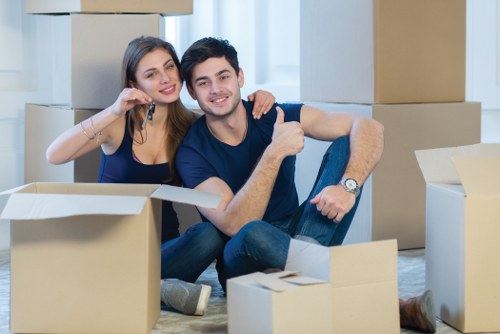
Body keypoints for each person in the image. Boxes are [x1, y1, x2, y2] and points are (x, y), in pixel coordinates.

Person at [176, 37, 436, 332]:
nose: (216, 90)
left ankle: (308, 264)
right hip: (243, 258)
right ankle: (388, 303)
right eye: (203, 82)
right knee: (253, 232)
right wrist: (274, 153)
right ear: (192, 91)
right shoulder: (192, 151)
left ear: (240, 77)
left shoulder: (276, 114)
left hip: (304, 231)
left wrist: (348, 186)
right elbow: (236, 224)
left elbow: (368, 127)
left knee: (346, 143)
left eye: (223, 77)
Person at [45, 36, 275, 316]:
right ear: (134, 84)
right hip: (114, 245)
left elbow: (232, 123)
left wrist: (261, 98)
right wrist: (115, 110)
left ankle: (146, 285)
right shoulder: (117, 125)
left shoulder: (192, 126)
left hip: (166, 250)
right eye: (151, 74)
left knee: (208, 235)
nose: (165, 79)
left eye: (169, 68)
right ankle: (155, 288)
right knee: (105, 261)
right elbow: (54, 155)